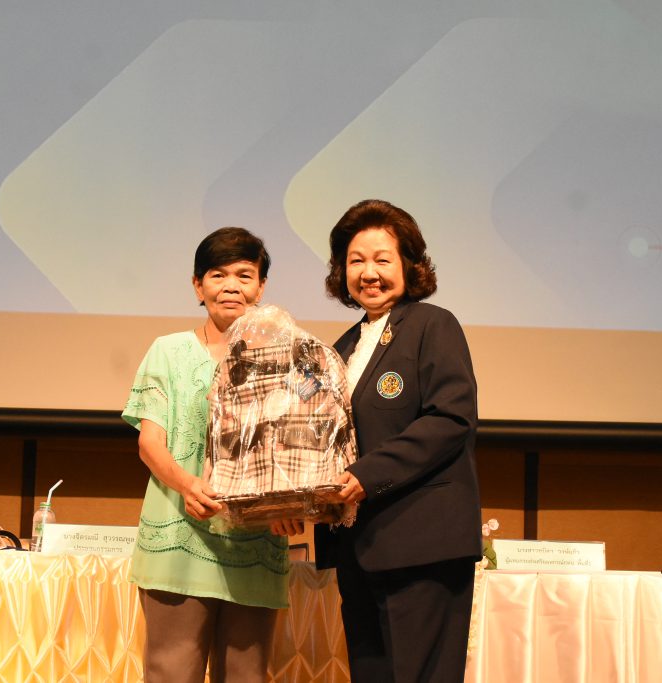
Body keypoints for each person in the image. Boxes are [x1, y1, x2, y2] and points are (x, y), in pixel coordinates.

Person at [313, 199, 483, 682]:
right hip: (358, 547)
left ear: (409, 265)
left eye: (382, 260)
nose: (368, 273)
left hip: (421, 545)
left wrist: (365, 477)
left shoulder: (433, 325)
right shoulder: (342, 348)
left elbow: (450, 419)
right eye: (355, 261)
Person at [121, 227, 290, 683]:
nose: (231, 286)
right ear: (198, 286)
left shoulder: (285, 357)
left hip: (254, 540)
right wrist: (187, 484)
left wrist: (288, 505)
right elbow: (150, 442)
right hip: (180, 532)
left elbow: (297, 450)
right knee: (171, 671)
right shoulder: (168, 350)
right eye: (217, 275)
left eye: (244, 275)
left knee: (246, 675)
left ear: (261, 287)